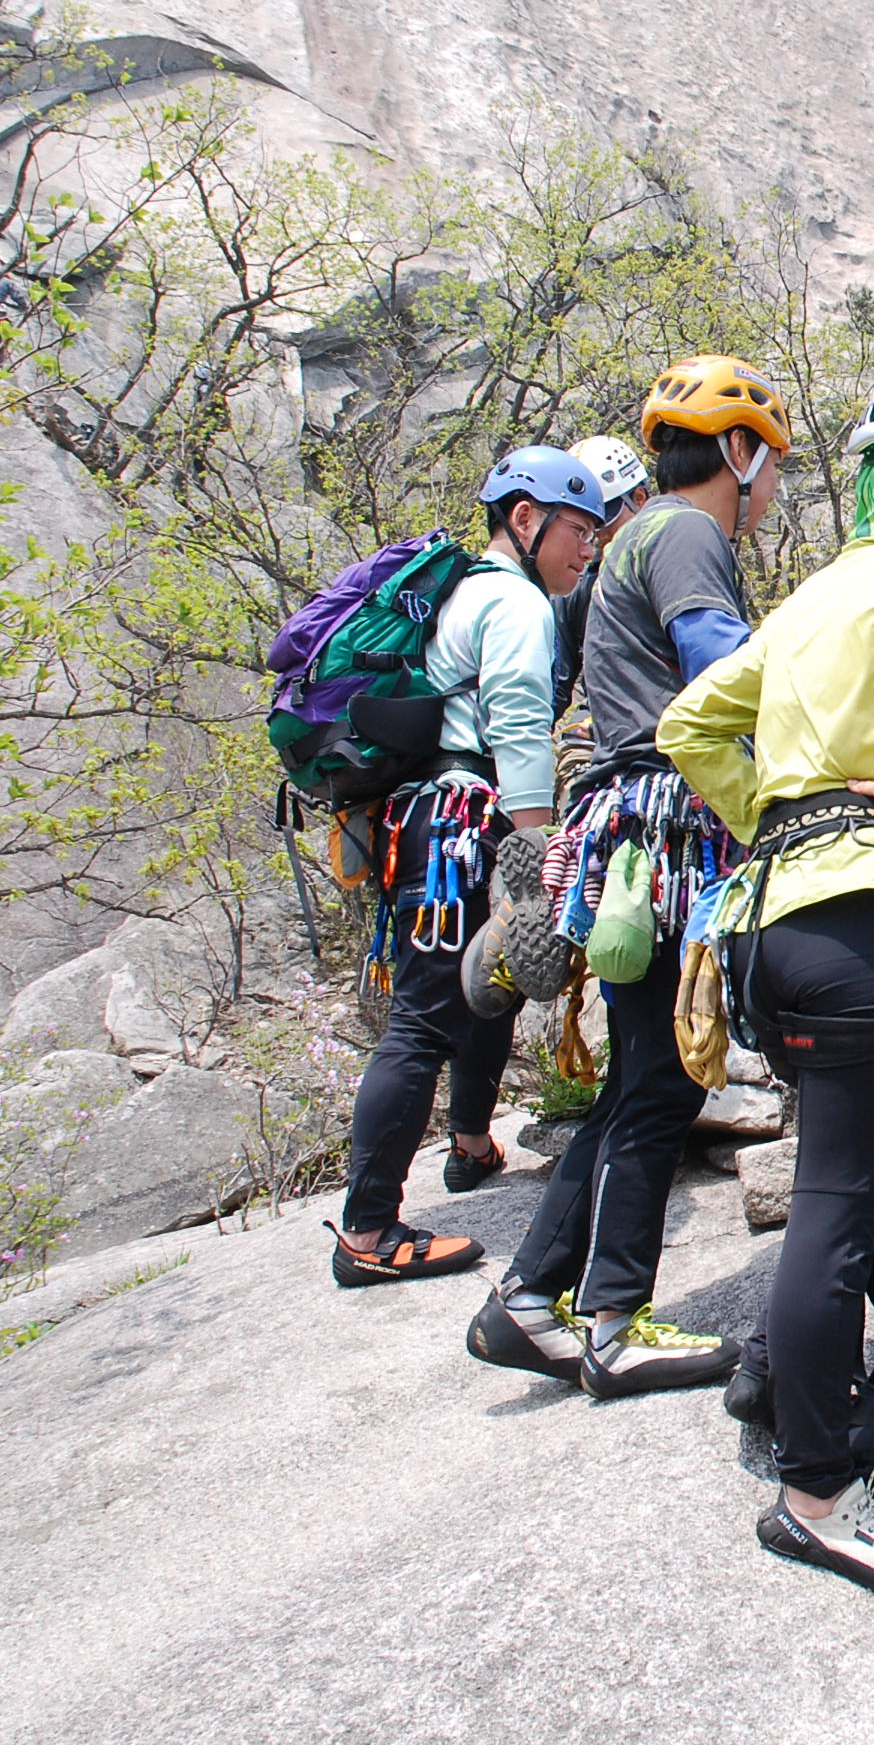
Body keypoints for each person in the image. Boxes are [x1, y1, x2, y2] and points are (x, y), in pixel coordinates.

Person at [659, 368, 874, 1604]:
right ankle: (815, 1490)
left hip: (766, 922)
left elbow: (692, 724)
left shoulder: (809, 596)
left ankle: (779, 1356)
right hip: (858, 917)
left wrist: (779, 806)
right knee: (841, 1199)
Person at [465, 362, 782, 1396]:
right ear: (736, 450)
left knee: (636, 1076)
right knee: (658, 1080)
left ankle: (528, 1297)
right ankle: (611, 1317)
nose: (773, 482)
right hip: (665, 824)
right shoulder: (687, 533)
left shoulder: (630, 536)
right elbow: (719, 664)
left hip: (625, 826)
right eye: (769, 459)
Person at [329, 446, 610, 1285]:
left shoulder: (462, 593)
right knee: (423, 1018)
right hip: (458, 823)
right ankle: (369, 1229)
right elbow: (521, 724)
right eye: (577, 530)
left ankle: (471, 1140)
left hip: (422, 821)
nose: (587, 549)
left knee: (479, 983)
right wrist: (538, 851)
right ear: (524, 520)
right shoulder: (515, 603)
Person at [550, 433, 653, 721]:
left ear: (639, 500)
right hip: (599, 725)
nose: (595, 535)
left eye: (603, 519)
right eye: (582, 525)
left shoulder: (679, 569)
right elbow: (557, 686)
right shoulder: (578, 588)